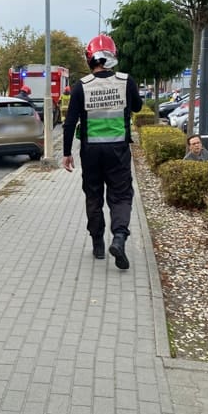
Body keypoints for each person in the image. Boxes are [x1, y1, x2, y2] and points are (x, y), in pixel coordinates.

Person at [62, 34, 143, 266]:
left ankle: (98, 244)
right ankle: (118, 237)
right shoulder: (126, 81)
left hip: (90, 152)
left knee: (94, 196)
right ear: (112, 56)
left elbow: (69, 123)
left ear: (90, 59)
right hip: (118, 150)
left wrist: (67, 153)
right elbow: (137, 106)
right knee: (121, 195)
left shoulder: (81, 86)